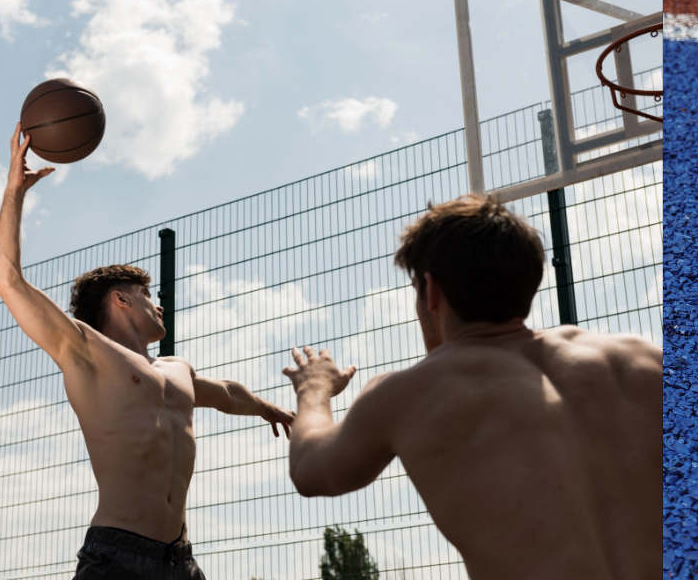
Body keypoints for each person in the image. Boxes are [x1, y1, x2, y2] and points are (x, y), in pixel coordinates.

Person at [282, 194, 662, 580]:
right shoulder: (643, 359)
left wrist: (313, 387)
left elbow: (310, 469)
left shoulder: (407, 394)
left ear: (431, 291)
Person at [0, 124, 295, 580]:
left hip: (182, 561)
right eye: (147, 293)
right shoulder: (86, 352)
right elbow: (7, 279)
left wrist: (272, 410)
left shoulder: (177, 371)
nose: (160, 303)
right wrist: (14, 190)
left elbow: (229, 394)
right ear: (121, 300)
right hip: (118, 557)